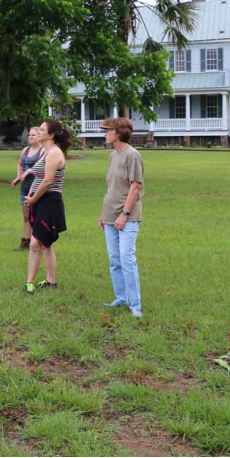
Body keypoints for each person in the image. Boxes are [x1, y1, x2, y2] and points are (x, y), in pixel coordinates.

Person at [99, 118, 145, 319]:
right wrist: (104, 214)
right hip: (110, 215)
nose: (105, 134)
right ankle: (121, 298)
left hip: (128, 216)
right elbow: (111, 187)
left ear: (118, 133)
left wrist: (124, 215)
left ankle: (135, 305)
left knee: (127, 258)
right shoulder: (112, 156)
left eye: (107, 130)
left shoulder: (132, 155)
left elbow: (135, 186)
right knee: (115, 260)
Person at [23, 119, 71, 295]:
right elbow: (39, 176)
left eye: (42, 130)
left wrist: (33, 199)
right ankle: (51, 281)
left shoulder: (54, 153)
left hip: (49, 202)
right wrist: (32, 196)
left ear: (51, 135)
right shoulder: (46, 151)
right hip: (41, 201)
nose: (38, 132)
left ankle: (30, 283)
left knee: (36, 243)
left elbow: (48, 181)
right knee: (45, 244)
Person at [11, 127, 43, 251]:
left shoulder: (43, 150)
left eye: (33, 135)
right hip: (24, 188)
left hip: (36, 188)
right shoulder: (25, 150)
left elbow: (41, 166)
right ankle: (25, 242)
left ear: (40, 136)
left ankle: (37, 242)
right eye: (29, 135)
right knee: (26, 217)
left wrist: (28, 171)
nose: (30, 137)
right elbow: (20, 163)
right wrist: (18, 176)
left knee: (36, 217)